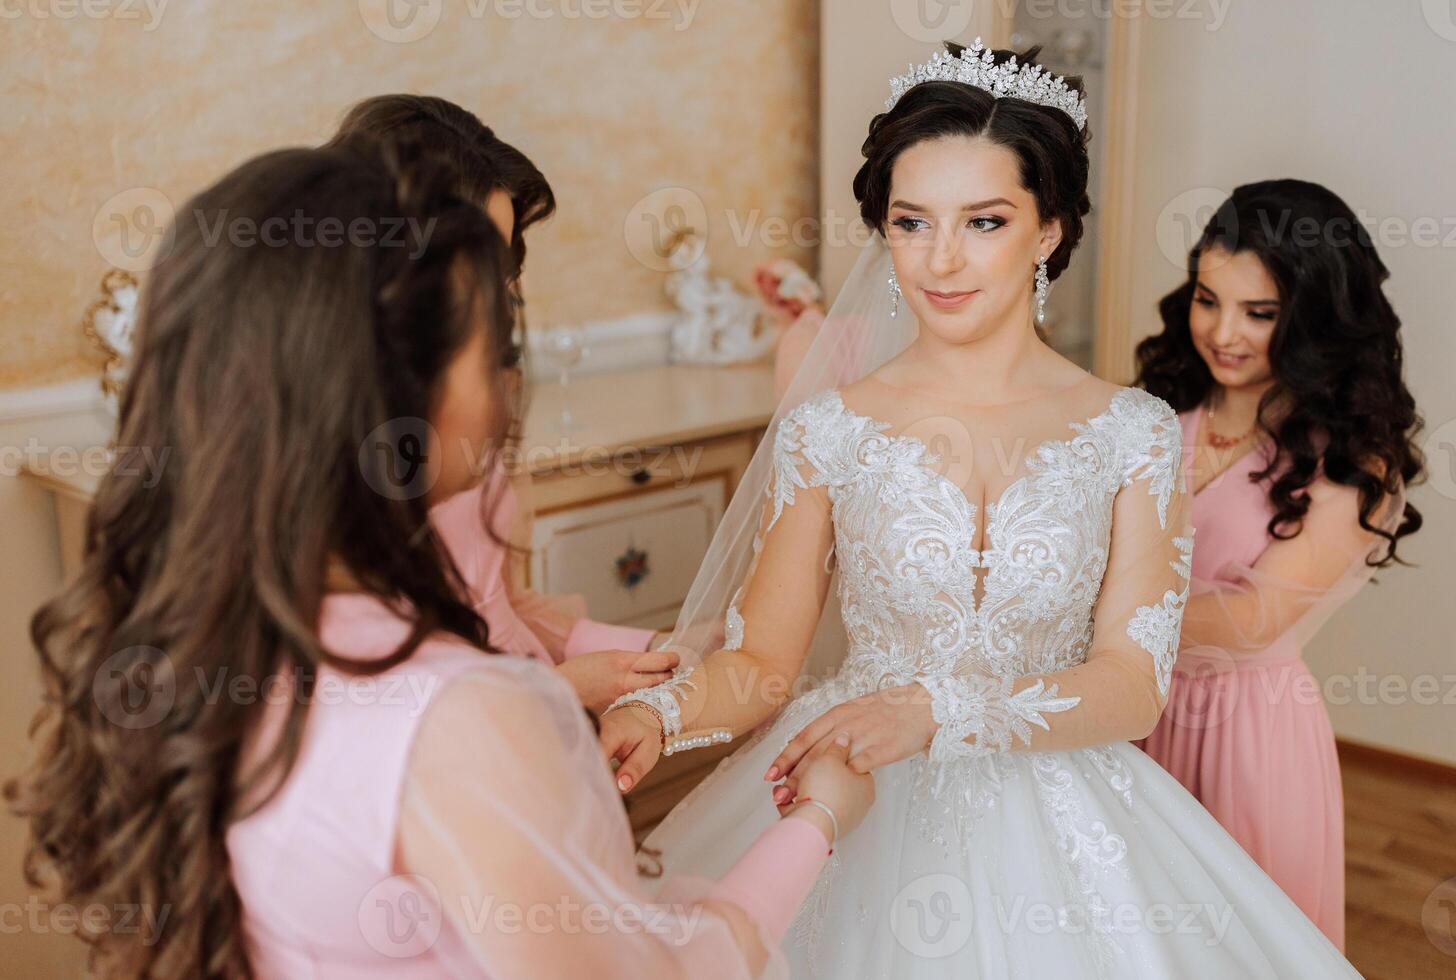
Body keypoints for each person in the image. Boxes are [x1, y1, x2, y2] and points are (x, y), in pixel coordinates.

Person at [6, 134, 874, 978]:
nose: (510, 388)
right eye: (495, 348)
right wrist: (820, 819)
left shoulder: (207, 629)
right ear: (385, 392)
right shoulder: (457, 717)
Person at [598, 39, 1366, 976]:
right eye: (912, 222)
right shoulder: (827, 430)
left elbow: (1132, 685)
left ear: (1048, 231)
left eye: (985, 222)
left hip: (1060, 806)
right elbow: (762, 665)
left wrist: (941, 714)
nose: (941, 259)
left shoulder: (1134, 433)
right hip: (843, 780)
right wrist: (665, 714)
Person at [1132, 178, 1423, 949]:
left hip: (1245, 738)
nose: (1223, 333)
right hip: (1126, 709)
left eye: (1260, 313)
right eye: (1207, 298)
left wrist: (1087, 610)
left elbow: (1249, 622)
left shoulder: (1354, 462)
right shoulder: (1156, 410)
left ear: (1315, 319)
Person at [330, 94, 677, 712]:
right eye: (478, 262)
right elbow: (368, 700)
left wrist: (656, 649)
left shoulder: (476, 399)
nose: (504, 290)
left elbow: (504, 608)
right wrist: (562, 690)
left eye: (505, 258)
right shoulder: (330, 439)